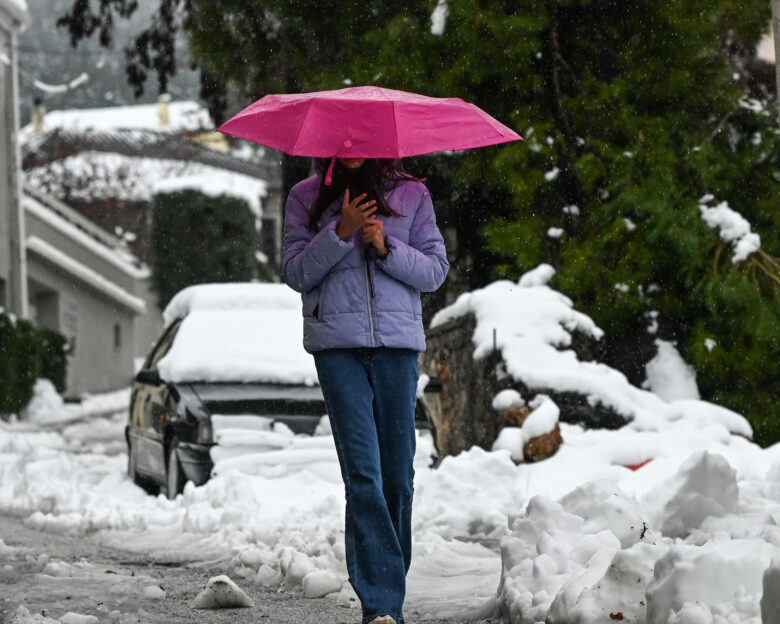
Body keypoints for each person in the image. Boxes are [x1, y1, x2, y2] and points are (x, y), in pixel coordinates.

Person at [282, 157, 449, 624]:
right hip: (338, 350)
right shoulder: (305, 197)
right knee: (363, 475)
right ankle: (382, 605)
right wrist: (340, 231)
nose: (352, 147)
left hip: (397, 348)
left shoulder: (412, 195)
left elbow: (435, 271)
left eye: (361, 140)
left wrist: (386, 244)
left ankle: (385, 586)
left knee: (397, 478)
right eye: (342, 141)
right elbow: (296, 272)